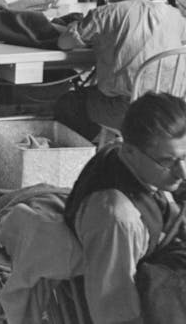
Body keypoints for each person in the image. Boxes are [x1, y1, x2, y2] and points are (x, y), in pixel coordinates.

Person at [64, 93, 186, 324]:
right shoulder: (117, 219)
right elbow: (115, 310)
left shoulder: (125, 155)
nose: (183, 172)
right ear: (129, 151)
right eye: (168, 161)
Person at [56, 0, 186, 140]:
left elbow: (64, 43)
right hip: (170, 108)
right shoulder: (174, 15)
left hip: (127, 110)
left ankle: (94, 155)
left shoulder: (106, 13)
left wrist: (73, 27)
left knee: (67, 103)